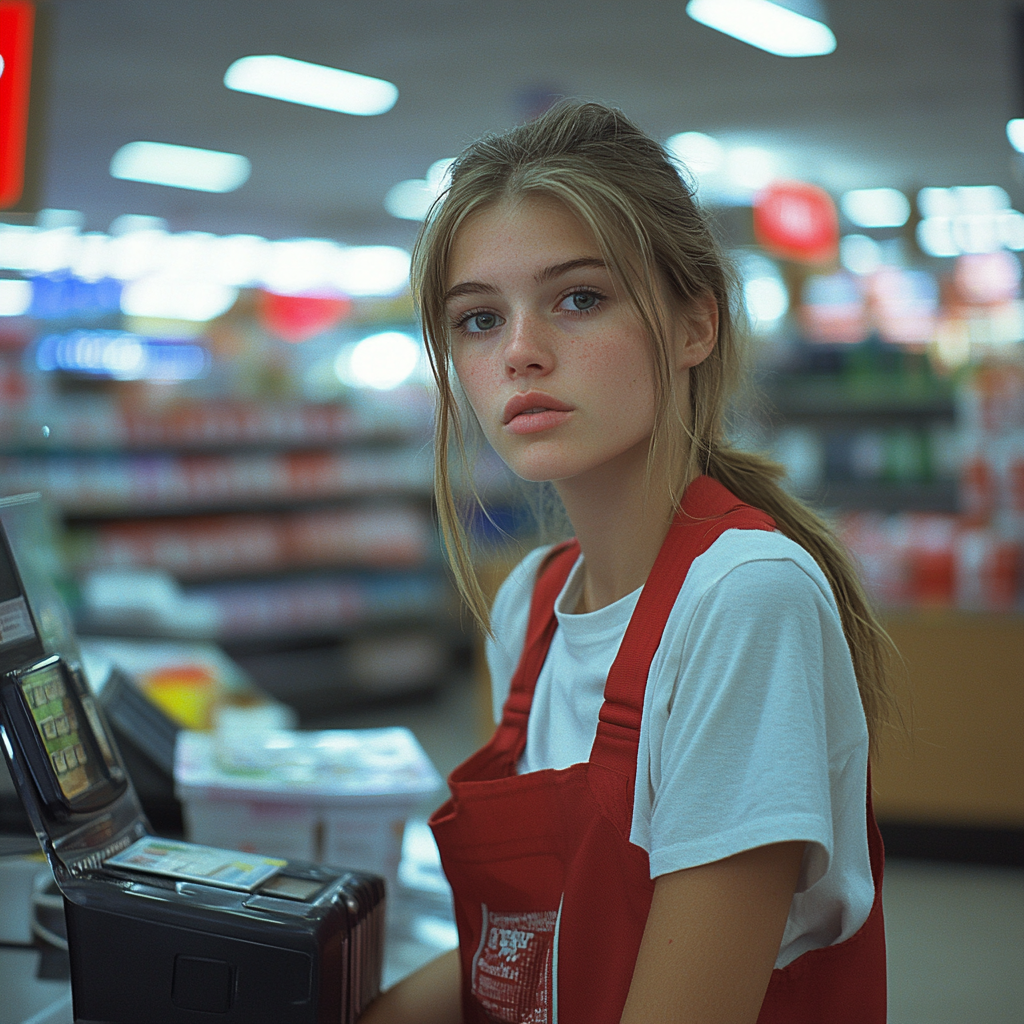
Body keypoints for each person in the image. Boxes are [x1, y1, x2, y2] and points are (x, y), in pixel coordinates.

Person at [360, 101, 897, 1024]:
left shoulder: (743, 602)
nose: (521, 353)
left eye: (579, 298)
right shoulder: (531, 602)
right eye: (479, 320)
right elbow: (540, 943)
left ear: (696, 326)